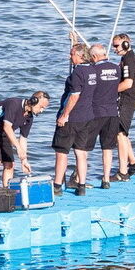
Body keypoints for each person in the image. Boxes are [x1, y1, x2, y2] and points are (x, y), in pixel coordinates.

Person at [0, 92, 50, 187]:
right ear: (33, 101)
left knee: (10, 164)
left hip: (3, 133)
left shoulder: (29, 118)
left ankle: (6, 191)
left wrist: (24, 160)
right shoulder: (13, 104)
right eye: (41, 107)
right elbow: (7, 127)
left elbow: (23, 138)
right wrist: (18, 148)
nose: (42, 111)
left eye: (44, 108)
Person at [52, 43, 96, 197]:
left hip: (72, 118)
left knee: (61, 152)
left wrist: (64, 115)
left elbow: (74, 95)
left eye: (72, 54)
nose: (69, 57)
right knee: (81, 152)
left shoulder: (78, 72)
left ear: (79, 56)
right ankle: (81, 184)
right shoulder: (92, 70)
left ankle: (57, 186)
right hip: (87, 117)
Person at [110, 33, 135, 181]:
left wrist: (109, 90)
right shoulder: (126, 59)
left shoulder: (129, 59)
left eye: (116, 46)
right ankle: (133, 162)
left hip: (126, 100)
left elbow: (128, 84)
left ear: (126, 44)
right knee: (122, 132)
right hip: (126, 99)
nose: (115, 49)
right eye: (113, 47)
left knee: (120, 134)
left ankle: (122, 172)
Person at [90, 44, 120, 188]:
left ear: (94, 56)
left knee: (84, 147)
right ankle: (106, 179)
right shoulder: (116, 68)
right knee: (107, 148)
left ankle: (79, 177)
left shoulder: (93, 70)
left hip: (96, 112)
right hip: (113, 112)